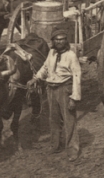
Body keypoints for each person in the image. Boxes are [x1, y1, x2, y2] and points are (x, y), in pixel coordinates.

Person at [27, 27, 81, 162]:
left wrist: (74, 98)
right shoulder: (51, 53)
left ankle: (73, 149)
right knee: (53, 119)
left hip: (65, 89)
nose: (59, 42)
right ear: (53, 41)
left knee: (69, 120)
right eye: (56, 39)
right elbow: (45, 68)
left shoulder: (71, 56)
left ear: (66, 41)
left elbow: (77, 76)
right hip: (51, 89)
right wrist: (36, 78)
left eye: (62, 39)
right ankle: (55, 145)